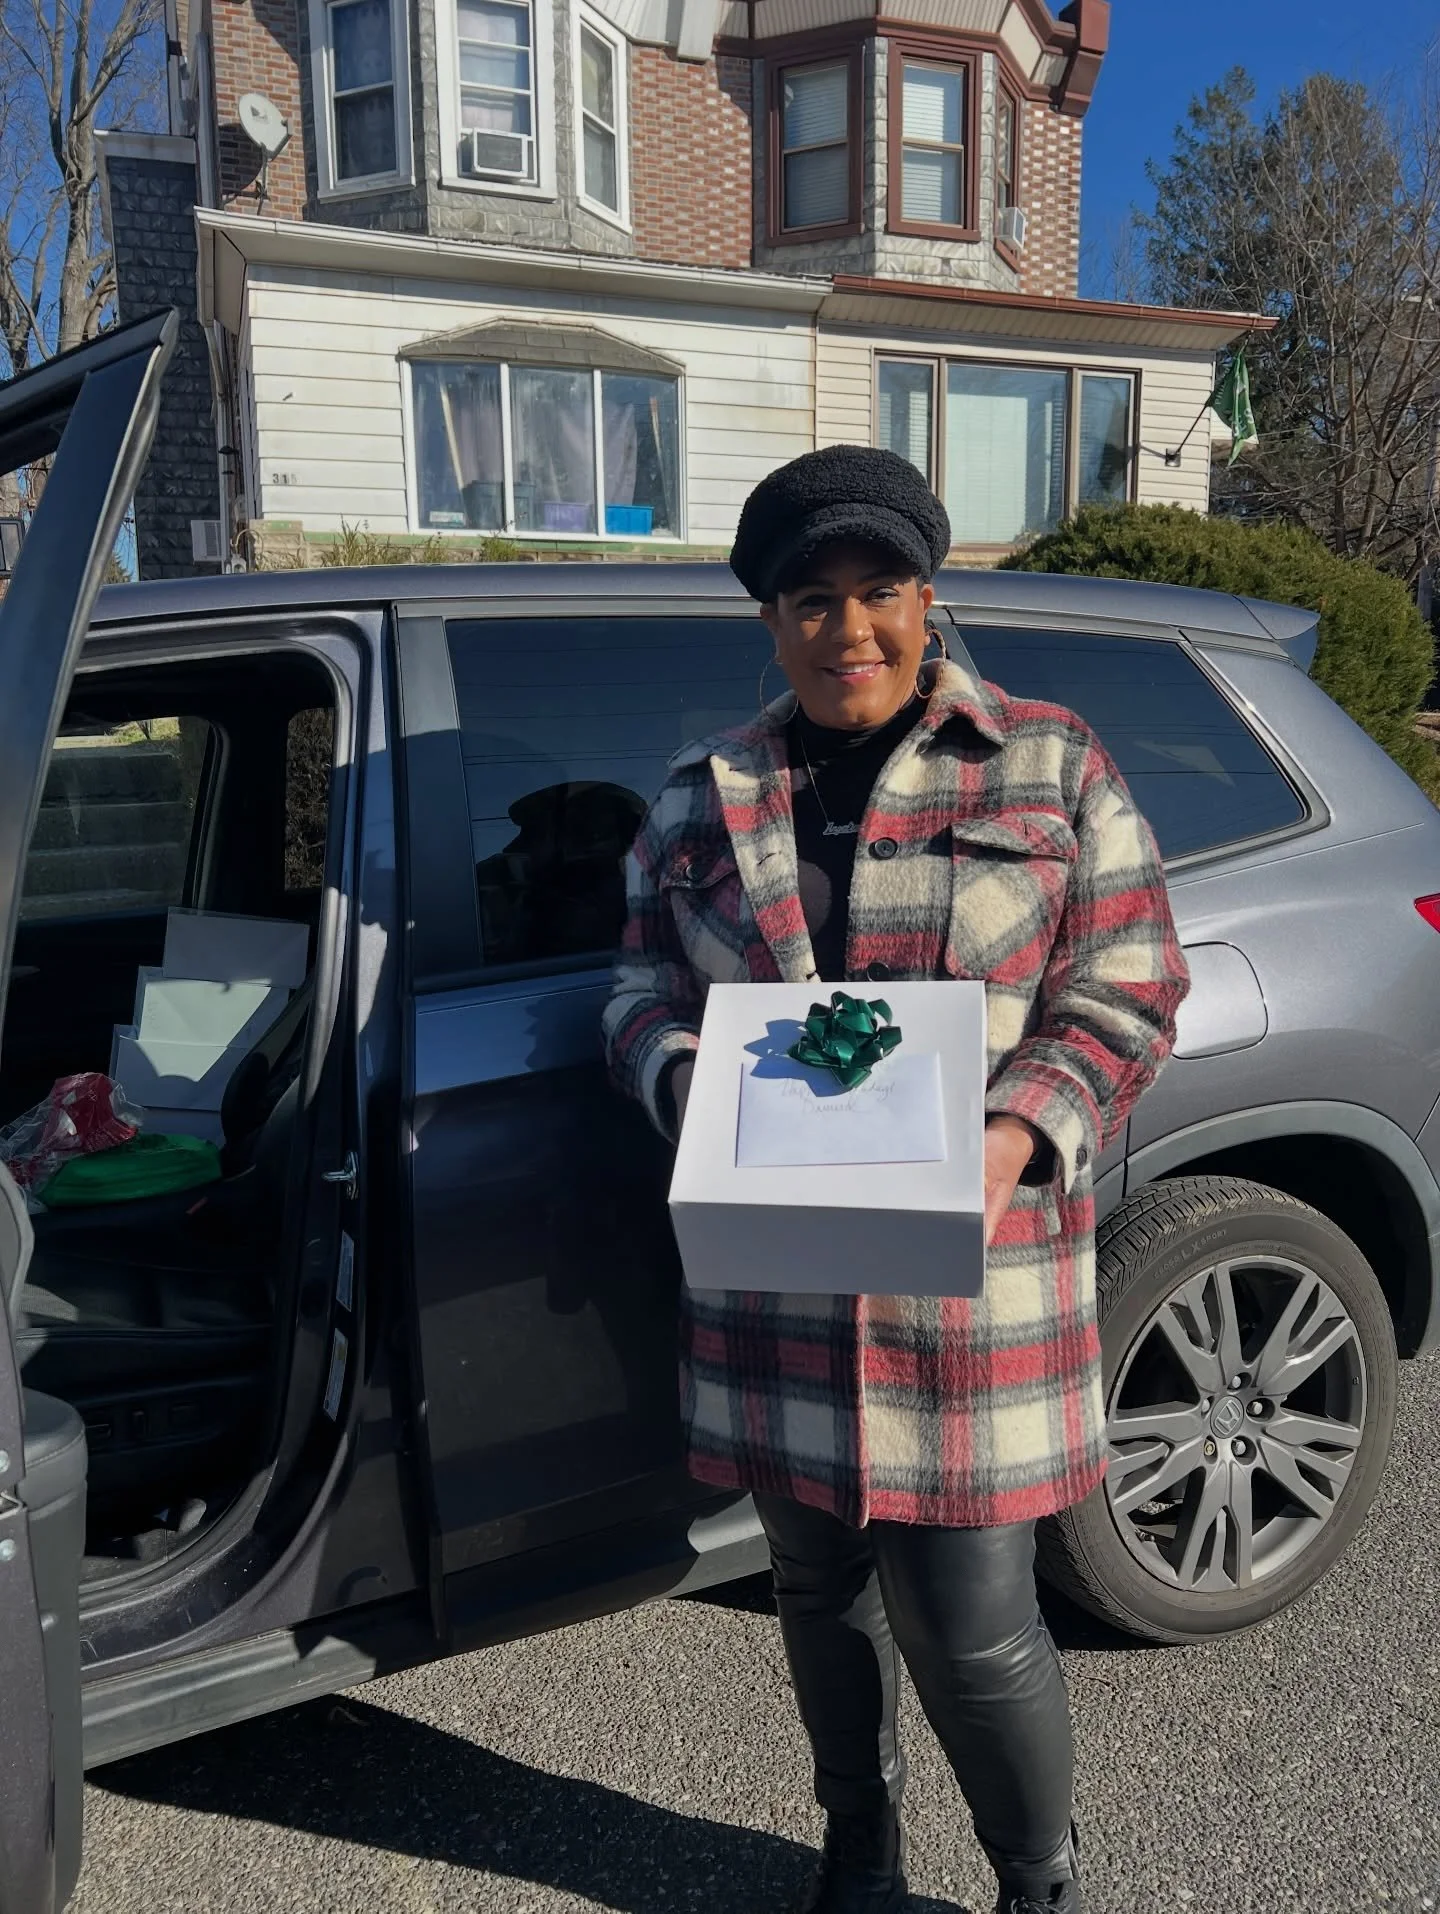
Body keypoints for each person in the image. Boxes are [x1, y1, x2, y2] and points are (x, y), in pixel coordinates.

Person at [603, 446, 1190, 1914]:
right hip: (775, 1285)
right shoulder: (702, 800)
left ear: (927, 598)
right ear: (770, 617)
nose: (847, 629)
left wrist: (1011, 1139)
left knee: (974, 1623)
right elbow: (633, 988)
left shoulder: (1048, 761)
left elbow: (1129, 980)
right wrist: (684, 1074)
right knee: (813, 1587)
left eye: (879, 592)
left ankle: (1036, 1887)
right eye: (813, 598)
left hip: (973, 1285)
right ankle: (856, 1850)